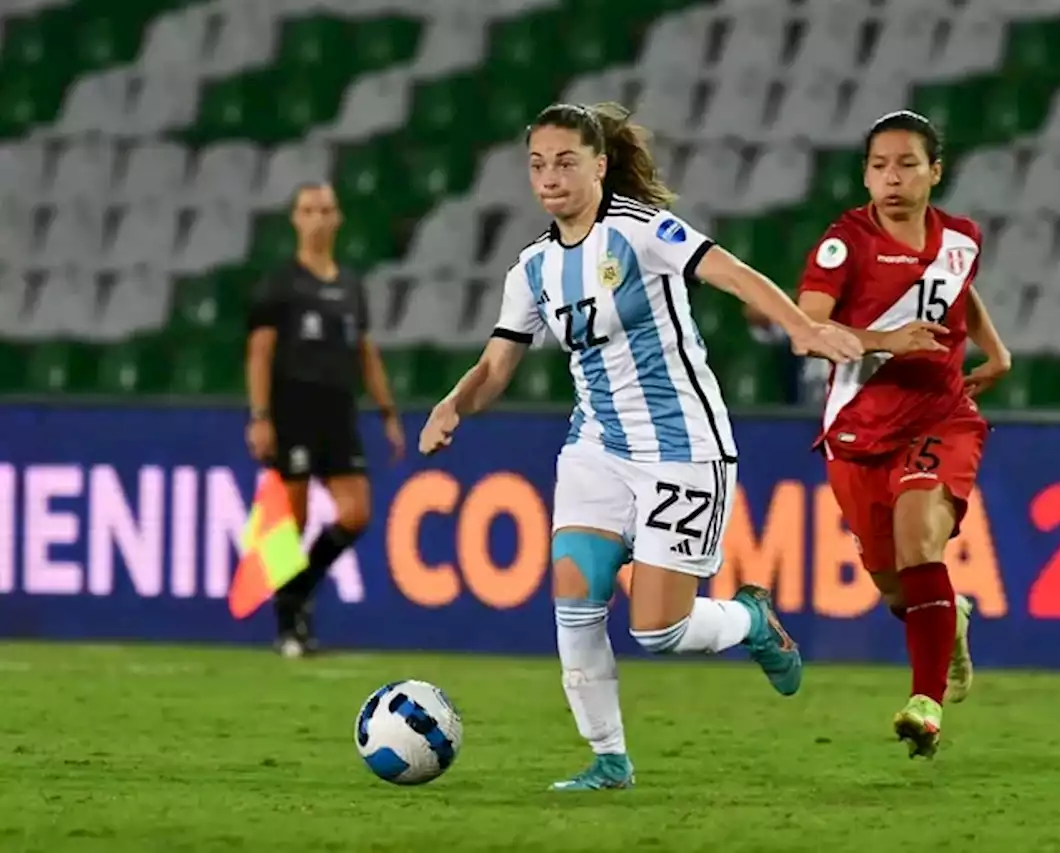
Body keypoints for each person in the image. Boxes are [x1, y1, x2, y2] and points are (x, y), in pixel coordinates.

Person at [418, 102, 863, 791]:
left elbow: (732, 273)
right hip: (596, 444)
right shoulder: (532, 268)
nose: (550, 178)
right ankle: (609, 758)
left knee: (657, 628)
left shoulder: (642, 230)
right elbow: (496, 366)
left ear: (600, 165)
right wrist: (454, 404)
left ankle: (749, 618)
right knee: (575, 584)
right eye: (538, 164)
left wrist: (802, 327)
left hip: (683, 444)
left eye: (566, 162)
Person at [796, 110, 1012, 759]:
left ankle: (926, 705)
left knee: (922, 540)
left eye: (907, 164)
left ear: (934, 172)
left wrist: (996, 352)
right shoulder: (845, 244)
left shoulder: (959, 241)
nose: (892, 177)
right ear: (865, 175)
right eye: (880, 165)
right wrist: (883, 340)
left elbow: (959, 292)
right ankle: (954, 620)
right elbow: (808, 329)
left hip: (938, 415)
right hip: (858, 432)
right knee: (898, 587)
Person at [245, 182, 406, 659]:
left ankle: (297, 591)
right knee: (289, 518)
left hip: (339, 412)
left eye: (326, 210)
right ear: (296, 219)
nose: (318, 218)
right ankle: (287, 622)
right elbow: (259, 354)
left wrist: (388, 411)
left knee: (356, 513)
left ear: (337, 219)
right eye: (309, 210)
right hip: (292, 410)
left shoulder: (351, 286)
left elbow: (366, 351)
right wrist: (259, 416)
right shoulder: (279, 283)